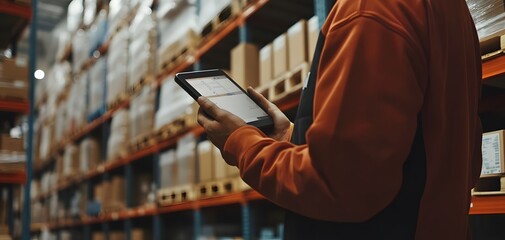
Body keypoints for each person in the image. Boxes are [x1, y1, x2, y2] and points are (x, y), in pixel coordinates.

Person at [197, 0, 482, 239]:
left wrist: (241, 143)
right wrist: (291, 138)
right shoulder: (454, 11)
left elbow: (338, 186)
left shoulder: (368, 11)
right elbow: (421, 144)